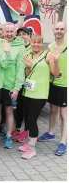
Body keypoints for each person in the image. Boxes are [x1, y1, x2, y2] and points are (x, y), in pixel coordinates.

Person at [19, 35, 60, 159]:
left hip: (40, 94)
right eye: (34, 42)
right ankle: (30, 142)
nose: (36, 44)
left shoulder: (48, 55)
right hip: (27, 92)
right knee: (28, 118)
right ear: (30, 43)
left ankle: (32, 149)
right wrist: (29, 67)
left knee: (32, 119)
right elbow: (27, 74)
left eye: (38, 42)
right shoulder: (29, 55)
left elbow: (55, 73)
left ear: (42, 43)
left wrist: (56, 60)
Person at [38, 22, 67, 156]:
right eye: (57, 29)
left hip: (65, 85)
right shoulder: (50, 47)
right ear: (53, 30)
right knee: (53, 110)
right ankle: (50, 133)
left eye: (62, 29)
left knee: (63, 115)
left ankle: (63, 142)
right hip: (53, 83)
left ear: (65, 31)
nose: (59, 31)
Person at [14, 27, 33, 142]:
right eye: (19, 34)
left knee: (28, 108)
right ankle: (17, 128)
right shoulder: (18, 48)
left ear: (30, 35)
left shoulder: (34, 47)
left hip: (30, 82)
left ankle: (27, 130)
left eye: (24, 34)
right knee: (19, 106)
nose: (21, 36)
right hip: (20, 81)